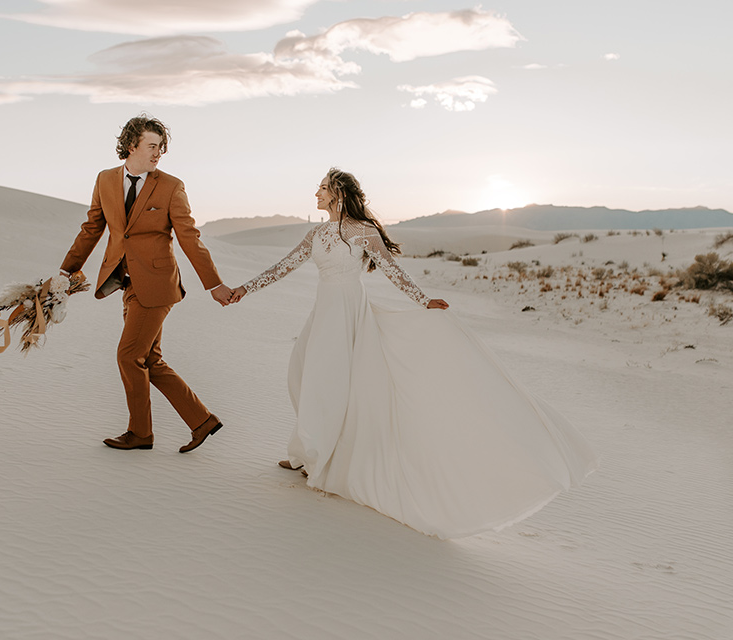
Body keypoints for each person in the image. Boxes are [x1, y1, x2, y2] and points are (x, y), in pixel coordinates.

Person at [228, 168, 595, 539]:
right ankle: (307, 450)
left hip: (348, 313)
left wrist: (423, 300)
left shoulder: (364, 233)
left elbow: (393, 271)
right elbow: (283, 267)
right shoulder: (315, 234)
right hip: (323, 313)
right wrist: (245, 288)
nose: (316, 194)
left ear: (337, 194)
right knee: (303, 374)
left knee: (332, 383)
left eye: (322, 189)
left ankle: (316, 457)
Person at [59, 115, 232, 453]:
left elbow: (189, 238)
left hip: (157, 284)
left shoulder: (171, 186)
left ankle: (140, 433)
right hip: (125, 283)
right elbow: (92, 228)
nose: (157, 154)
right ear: (131, 145)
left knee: (128, 356)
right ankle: (201, 420)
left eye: (161, 148)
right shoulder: (105, 179)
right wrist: (67, 271)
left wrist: (215, 285)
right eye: (152, 146)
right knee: (148, 359)